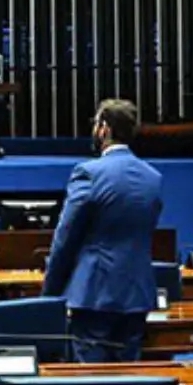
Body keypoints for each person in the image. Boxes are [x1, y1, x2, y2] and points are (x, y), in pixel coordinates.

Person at [41, 99, 165, 362]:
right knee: (130, 374)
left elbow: (66, 236)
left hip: (94, 292)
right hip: (137, 292)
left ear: (104, 129)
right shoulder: (152, 177)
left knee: (93, 377)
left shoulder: (89, 172)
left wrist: (49, 293)